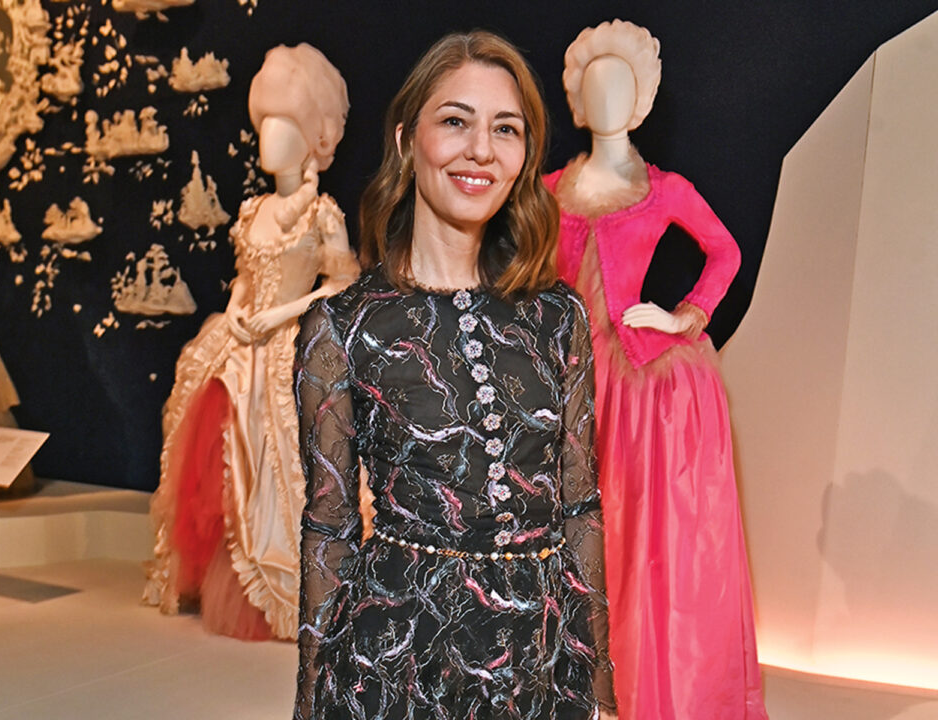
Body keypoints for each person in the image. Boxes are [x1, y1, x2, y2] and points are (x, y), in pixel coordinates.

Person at [293, 31, 616, 720]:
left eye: (506, 129)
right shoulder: (342, 326)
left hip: (537, 668)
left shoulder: (558, 317)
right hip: (396, 666)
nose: (481, 151)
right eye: (455, 121)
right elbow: (329, 528)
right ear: (408, 140)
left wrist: (598, 692)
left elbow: (580, 509)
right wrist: (311, 699)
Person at [545, 19, 768, 719]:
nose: (606, 98)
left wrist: (684, 317)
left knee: (637, 523)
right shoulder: (547, 188)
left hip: (637, 378)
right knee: (570, 518)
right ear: (578, 101)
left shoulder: (664, 189)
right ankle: (568, 673)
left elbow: (725, 252)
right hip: (564, 371)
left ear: (640, 101)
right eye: (594, 86)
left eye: (620, 87)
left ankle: (642, 677)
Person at [143, 44, 360, 640]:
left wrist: (278, 315)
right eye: (266, 125)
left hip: (290, 341)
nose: (271, 139)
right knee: (212, 433)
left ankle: (288, 580)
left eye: (284, 127)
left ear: (312, 138)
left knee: (281, 454)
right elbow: (244, 276)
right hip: (242, 339)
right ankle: (217, 572)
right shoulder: (253, 210)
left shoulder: (322, 213)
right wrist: (241, 310)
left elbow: (341, 286)